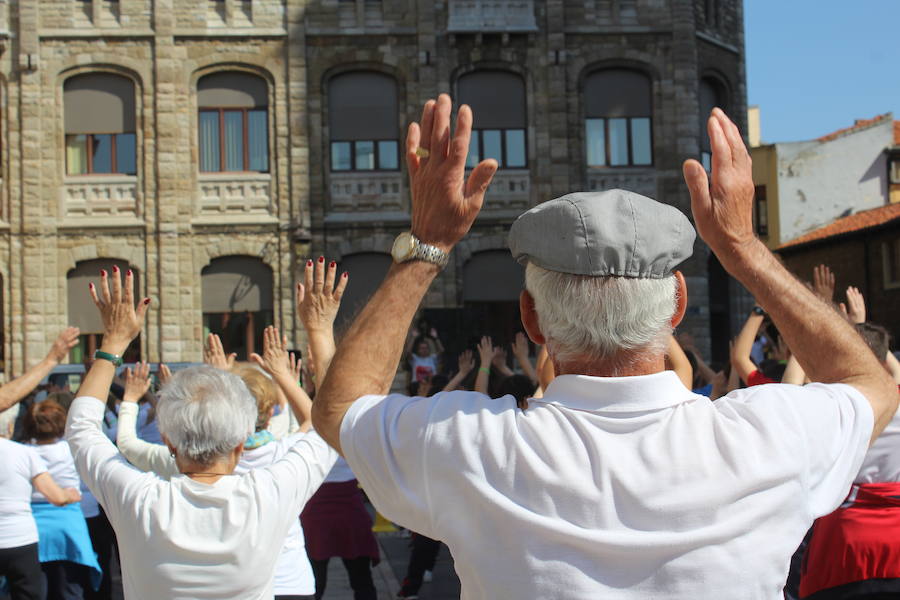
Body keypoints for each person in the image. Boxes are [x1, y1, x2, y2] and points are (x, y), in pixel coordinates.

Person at [310, 96, 898, 597]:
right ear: (676, 307)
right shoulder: (767, 440)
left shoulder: (470, 447)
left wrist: (428, 243)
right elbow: (871, 383)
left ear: (531, 319)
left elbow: (341, 408)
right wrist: (743, 247)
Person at [66, 266, 336, 599]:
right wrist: (319, 330)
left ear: (169, 443)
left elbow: (80, 427)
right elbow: (331, 422)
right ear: (240, 445)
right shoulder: (271, 493)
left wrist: (114, 342)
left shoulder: (137, 498)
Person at [115, 327, 330, 600]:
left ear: (171, 444)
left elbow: (126, 444)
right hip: (290, 582)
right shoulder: (285, 454)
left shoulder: (178, 459)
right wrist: (284, 376)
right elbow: (319, 425)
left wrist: (135, 398)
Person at [1, 402, 81, 600]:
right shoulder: (24, 452)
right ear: (10, 426)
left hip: (30, 529)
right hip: (27, 536)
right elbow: (57, 497)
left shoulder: (28, 449)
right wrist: (71, 495)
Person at [24, 400, 102, 599]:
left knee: (37, 591)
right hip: (69, 525)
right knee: (70, 588)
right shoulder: (72, 449)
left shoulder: (22, 451)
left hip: (33, 526)